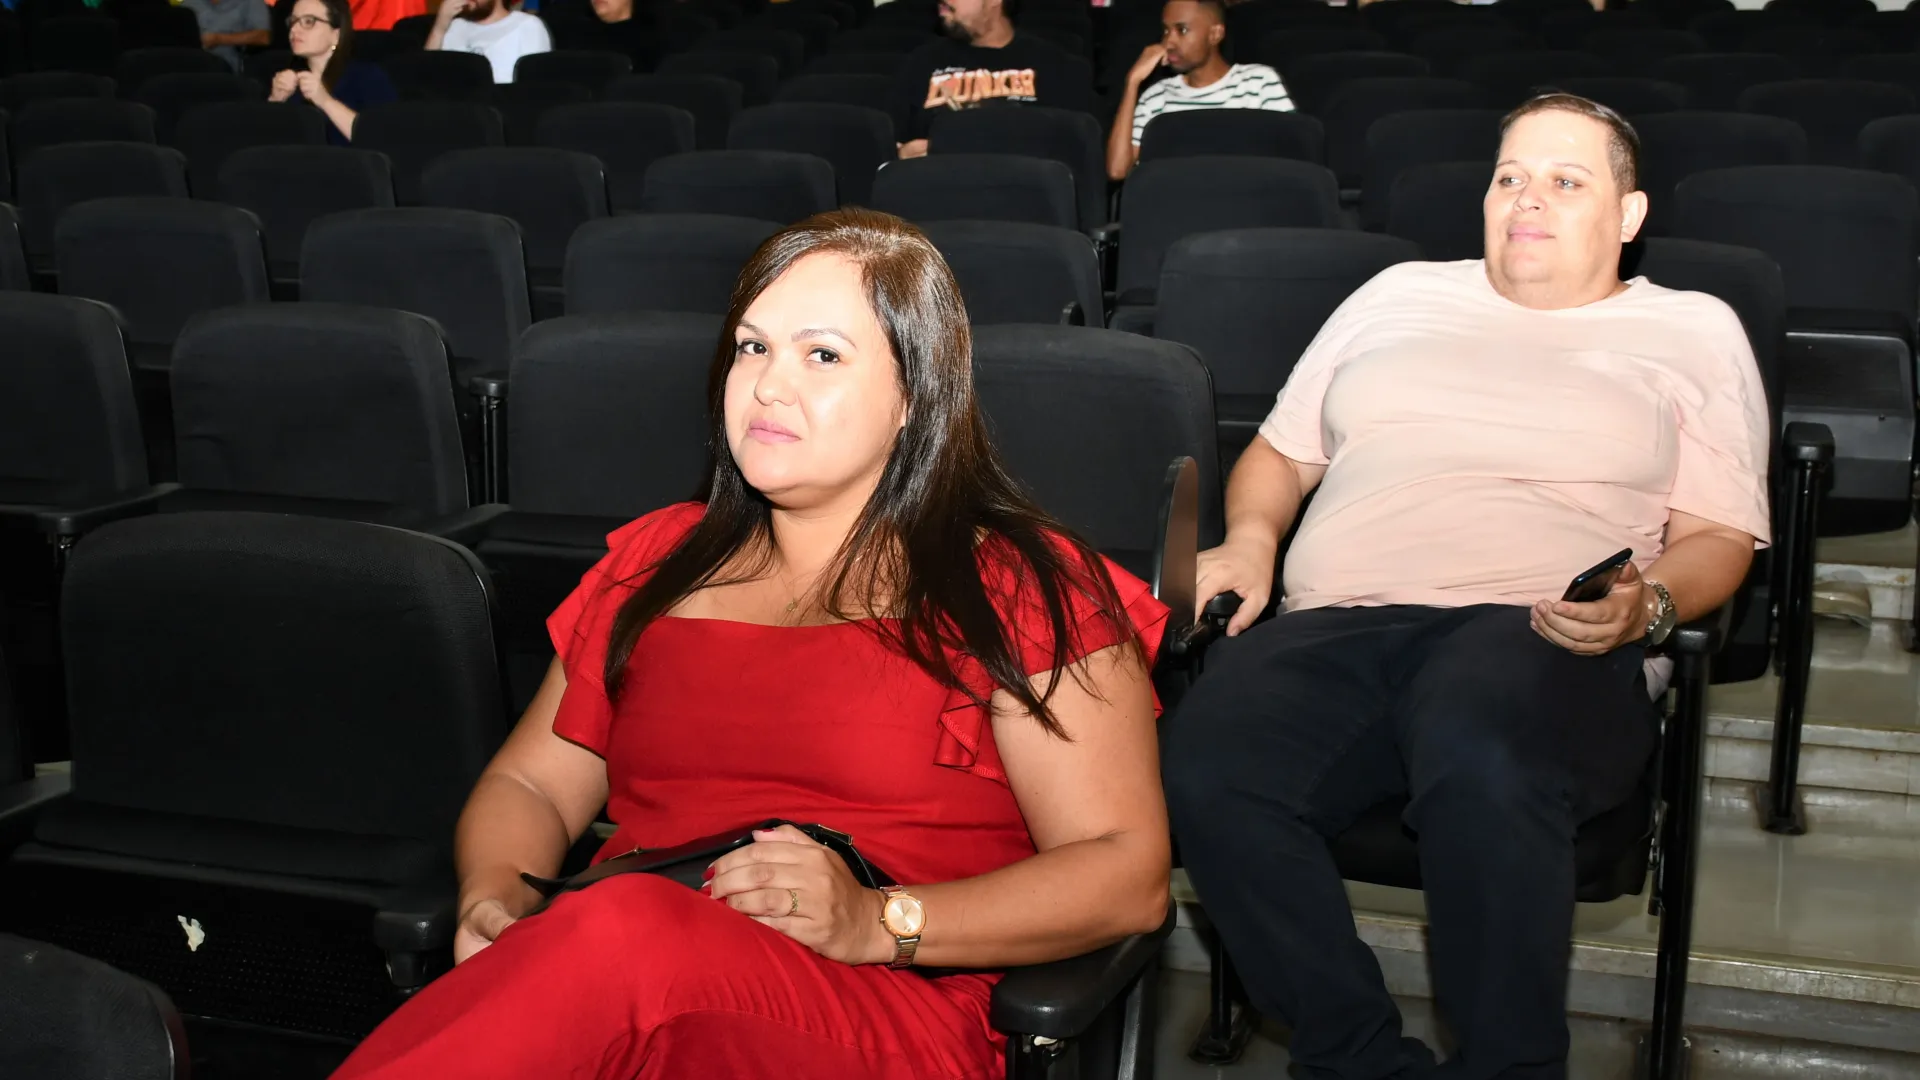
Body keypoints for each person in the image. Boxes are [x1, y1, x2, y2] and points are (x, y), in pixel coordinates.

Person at [328, 207, 1173, 1079]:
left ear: (914, 398)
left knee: (625, 934)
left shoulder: (1022, 585)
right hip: (626, 976)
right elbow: (533, 782)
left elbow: (1126, 873)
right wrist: (495, 893)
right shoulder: (656, 562)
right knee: (615, 938)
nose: (769, 386)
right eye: (752, 347)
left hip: (885, 1007)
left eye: (823, 356)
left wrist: (880, 920)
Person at [1162, 93, 1770, 1078]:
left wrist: (1648, 605)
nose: (1527, 198)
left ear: (1628, 215)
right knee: (1209, 763)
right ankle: (1355, 1059)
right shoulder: (1396, 293)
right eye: (1509, 177)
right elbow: (1280, 452)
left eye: (1565, 181)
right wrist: (1254, 543)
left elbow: (1718, 535)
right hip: (1342, 624)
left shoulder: (1691, 329)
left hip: (1540, 634)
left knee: (1480, 740)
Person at [1105, 0, 1294, 180]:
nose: (1168, 42)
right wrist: (1132, 82)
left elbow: (1293, 156)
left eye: (1182, 30)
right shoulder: (1156, 97)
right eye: (1166, 30)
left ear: (1215, 34)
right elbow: (1117, 170)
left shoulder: (1258, 83)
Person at [888, 0, 1092, 157]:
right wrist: (901, 155)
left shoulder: (1055, 66)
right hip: (938, 187)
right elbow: (893, 143)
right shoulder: (921, 62)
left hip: (1018, 190)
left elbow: (1072, 153)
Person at [270, 0, 397, 144]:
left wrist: (325, 101)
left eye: (309, 21)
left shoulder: (367, 77)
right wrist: (275, 100)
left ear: (336, 35)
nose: (294, 29)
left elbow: (382, 139)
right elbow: (265, 145)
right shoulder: (287, 79)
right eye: (293, 21)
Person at [428, 0, 553, 84]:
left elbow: (535, 88)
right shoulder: (454, 25)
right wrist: (439, 27)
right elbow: (427, 78)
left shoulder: (528, 25)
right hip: (455, 108)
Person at [181, 0, 271, 72]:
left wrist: (218, 39)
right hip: (191, 61)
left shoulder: (251, 2)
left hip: (227, 62)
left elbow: (263, 37)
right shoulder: (189, 3)